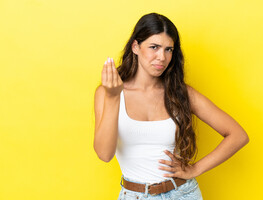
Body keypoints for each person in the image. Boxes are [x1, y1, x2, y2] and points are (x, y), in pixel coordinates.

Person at [93, 12, 249, 200]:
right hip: (135, 195)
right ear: (136, 46)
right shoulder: (108, 93)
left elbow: (238, 135)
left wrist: (195, 169)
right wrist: (112, 97)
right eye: (154, 47)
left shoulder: (181, 93)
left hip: (183, 193)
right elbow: (104, 154)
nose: (162, 57)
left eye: (169, 49)